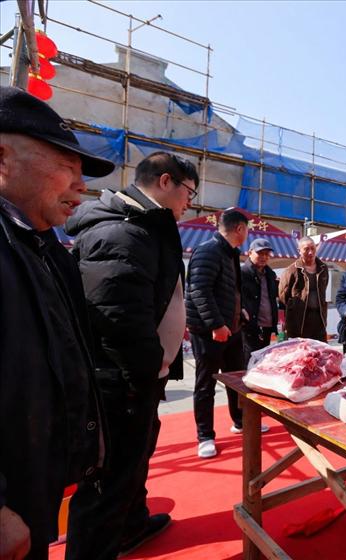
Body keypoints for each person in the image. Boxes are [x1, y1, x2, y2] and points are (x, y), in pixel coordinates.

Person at [63, 151, 196, 558]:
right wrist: (145, 370)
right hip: (121, 380)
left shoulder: (144, 227)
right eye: (189, 192)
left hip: (139, 376)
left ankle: (132, 525)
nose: (190, 202)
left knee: (136, 459)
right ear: (166, 181)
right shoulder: (123, 233)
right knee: (109, 479)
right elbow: (117, 318)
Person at [0, 86, 110, 559]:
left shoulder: (47, 250)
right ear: (3, 158)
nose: (81, 186)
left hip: (33, 491)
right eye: (67, 166)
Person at [186, 208, 255, 459]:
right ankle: (205, 436)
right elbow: (199, 291)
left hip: (232, 329)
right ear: (239, 229)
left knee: (236, 379)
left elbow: (230, 291)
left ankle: (240, 421)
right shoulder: (208, 251)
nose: (247, 234)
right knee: (206, 384)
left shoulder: (230, 253)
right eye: (247, 230)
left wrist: (240, 310)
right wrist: (215, 325)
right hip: (209, 332)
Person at [278, 235, 329, 341]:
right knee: (300, 350)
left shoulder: (323, 268)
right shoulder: (291, 270)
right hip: (299, 321)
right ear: (299, 251)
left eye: (313, 248)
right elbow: (283, 296)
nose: (310, 252)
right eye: (306, 249)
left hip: (319, 319)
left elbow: (323, 289)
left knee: (319, 349)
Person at [241, 238, 279, 362]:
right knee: (249, 363)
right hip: (249, 328)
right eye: (260, 253)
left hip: (267, 328)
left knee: (263, 363)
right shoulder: (241, 273)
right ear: (249, 253)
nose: (264, 257)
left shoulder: (270, 274)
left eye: (267, 254)